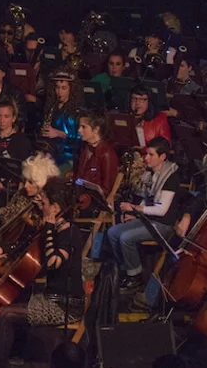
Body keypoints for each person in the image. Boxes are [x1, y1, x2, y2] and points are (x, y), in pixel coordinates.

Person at [0, 177, 83, 368]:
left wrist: (49, 229)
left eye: (44, 202)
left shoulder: (68, 231)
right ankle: (11, 350)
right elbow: (29, 244)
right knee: (13, 299)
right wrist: (8, 251)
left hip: (64, 305)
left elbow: (53, 262)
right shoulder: (55, 226)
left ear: (55, 207)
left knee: (6, 313)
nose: (40, 205)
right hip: (51, 297)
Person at [108, 137, 180, 291]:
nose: (146, 158)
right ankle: (126, 268)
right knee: (113, 232)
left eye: (151, 155)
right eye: (147, 154)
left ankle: (135, 276)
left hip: (163, 225)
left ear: (162, 157)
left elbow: (161, 210)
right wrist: (135, 214)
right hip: (148, 220)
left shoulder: (170, 177)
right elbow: (147, 200)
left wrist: (135, 208)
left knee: (126, 237)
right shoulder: (151, 174)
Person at [0, 154, 58, 249]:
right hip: (5, 243)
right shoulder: (22, 194)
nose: (25, 186)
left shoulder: (50, 206)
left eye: (30, 182)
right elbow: (3, 217)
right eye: (25, 181)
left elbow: (40, 234)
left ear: (41, 185)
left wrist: (40, 208)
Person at [40, 68, 82, 170]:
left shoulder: (76, 111)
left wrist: (58, 133)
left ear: (71, 89)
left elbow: (79, 139)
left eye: (64, 88)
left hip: (67, 157)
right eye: (57, 88)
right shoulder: (52, 106)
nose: (59, 92)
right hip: (51, 152)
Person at [75, 111, 119, 196]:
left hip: (93, 200)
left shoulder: (107, 153)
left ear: (96, 129)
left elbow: (107, 190)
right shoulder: (85, 148)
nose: (79, 130)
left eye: (83, 127)